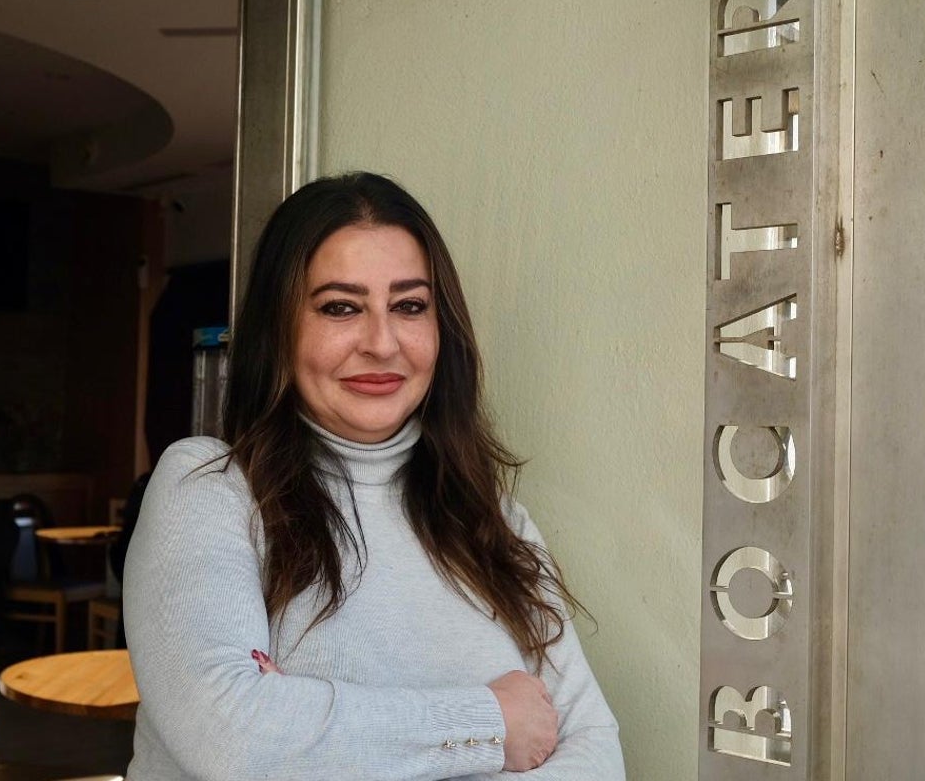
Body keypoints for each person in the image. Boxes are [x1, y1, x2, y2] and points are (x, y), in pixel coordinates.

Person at [123, 172, 624, 780]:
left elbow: (594, 749)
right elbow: (236, 740)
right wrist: (491, 723)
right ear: (279, 329)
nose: (382, 342)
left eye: (410, 305)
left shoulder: (487, 513)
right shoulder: (210, 488)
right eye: (340, 307)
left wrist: (320, 736)